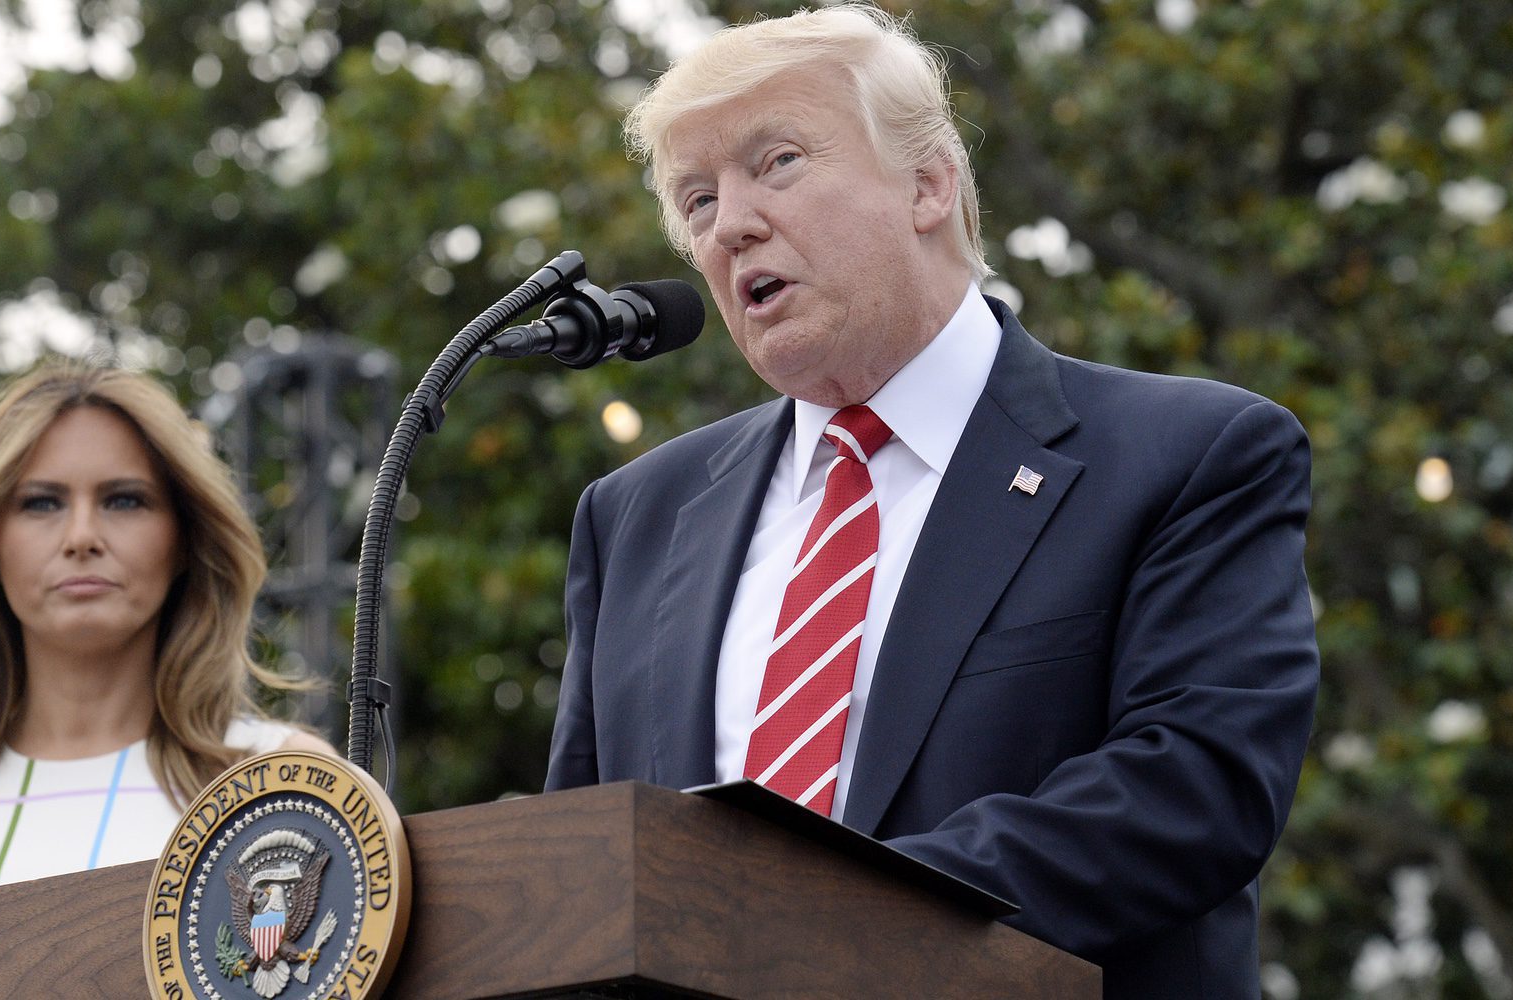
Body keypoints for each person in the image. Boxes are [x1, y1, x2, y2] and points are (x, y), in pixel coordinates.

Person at [542, 5, 1319, 997]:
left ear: (927, 183)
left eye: (775, 161)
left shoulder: (1187, 456)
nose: (728, 222)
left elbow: (1191, 789)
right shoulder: (632, 516)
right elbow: (582, 874)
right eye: (695, 200)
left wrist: (811, 923)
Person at [0, 361, 333, 1000]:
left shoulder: (283, 779)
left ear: (183, 540)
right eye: (41, 503)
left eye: (125, 500)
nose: (83, 536)